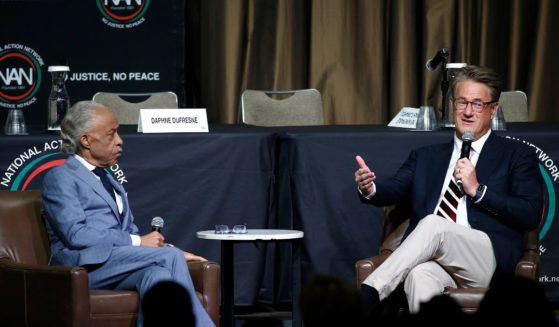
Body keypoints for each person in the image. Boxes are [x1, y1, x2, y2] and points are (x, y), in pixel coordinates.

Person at [354, 65, 543, 314]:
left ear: (493, 109)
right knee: (419, 277)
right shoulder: (426, 156)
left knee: (434, 224)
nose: (467, 112)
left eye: (477, 104)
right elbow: (394, 188)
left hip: (487, 260)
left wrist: (478, 190)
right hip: (436, 261)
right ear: (452, 104)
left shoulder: (517, 155)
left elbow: (528, 213)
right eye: (462, 102)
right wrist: (370, 187)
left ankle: (367, 296)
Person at [41, 101, 215, 327]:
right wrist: (142, 243)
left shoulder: (110, 180)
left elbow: (130, 232)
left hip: (117, 263)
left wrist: (170, 249)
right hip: (82, 267)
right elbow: (77, 235)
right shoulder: (62, 176)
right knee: (168, 260)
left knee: (158, 275)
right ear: (86, 140)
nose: (120, 141)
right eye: (111, 134)